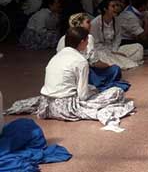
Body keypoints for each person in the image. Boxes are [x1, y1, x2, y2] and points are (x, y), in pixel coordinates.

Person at [5, 27, 135, 129]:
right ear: (83, 42)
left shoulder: (57, 56)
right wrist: (93, 91)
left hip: (46, 105)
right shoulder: (81, 61)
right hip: (66, 108)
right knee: (116, 91)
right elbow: (83, 95)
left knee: (92, 88)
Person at [57, 13, 129, 93]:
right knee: (115, 69)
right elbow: (94, 62)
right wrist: (109, 65)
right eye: (88, 22)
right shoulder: (88, 37)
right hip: (81, 73)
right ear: (80, 24)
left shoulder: (62, 39)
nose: (91, 24)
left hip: (62, 76)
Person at [90, 0, 144, 69]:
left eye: (117, 5)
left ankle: (120, 61)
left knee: (138, 47)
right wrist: (111, 52)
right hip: (101, 51)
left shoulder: (117, 20)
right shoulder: (95, 23)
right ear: (105, 9)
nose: (116, 8)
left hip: (114, 49)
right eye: (113, 6)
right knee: (103, 56)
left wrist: (114, 51)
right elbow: (95, 44)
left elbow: (117, 39)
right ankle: (122, 61)